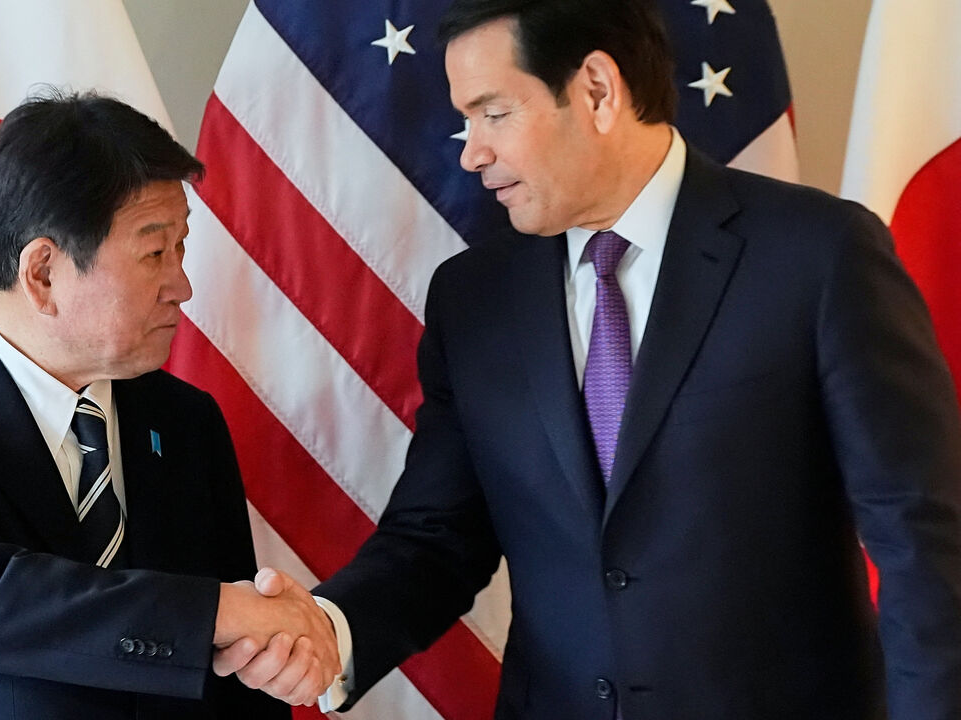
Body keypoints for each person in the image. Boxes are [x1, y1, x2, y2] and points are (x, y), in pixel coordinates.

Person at [216, 0, 961, 717]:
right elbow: (437, 537)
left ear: (598, 91)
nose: (472, 152)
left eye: (493, 113)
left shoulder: (818, 255)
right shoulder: (474, 299)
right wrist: (333, 631)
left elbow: (921, 542)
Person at [0, 89, 336, 720]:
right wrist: (220, 611)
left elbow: (234, 682)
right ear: (42, 273)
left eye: (181, 248)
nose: (182, 286)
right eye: (155, 253)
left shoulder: (186, 421)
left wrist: (269, 648)